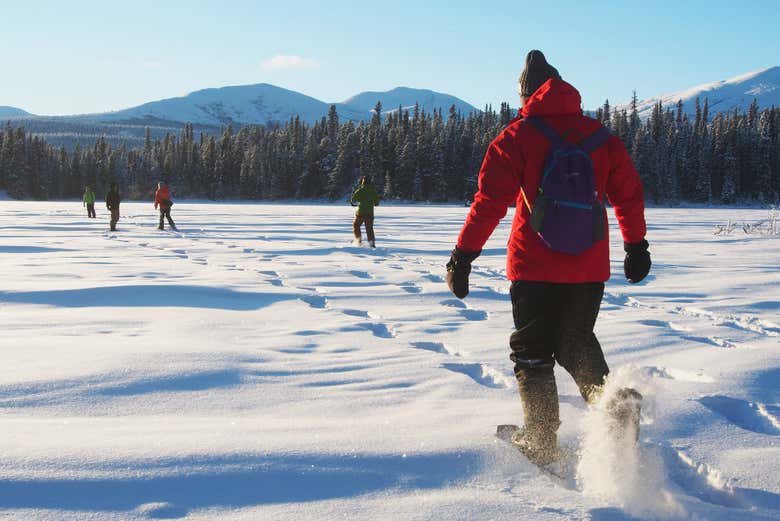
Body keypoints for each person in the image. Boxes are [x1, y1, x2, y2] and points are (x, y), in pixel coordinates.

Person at [446, 50, 651, 465]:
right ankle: (614, 406)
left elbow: (488, 204)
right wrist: (636, 245)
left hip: (534, 264)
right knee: (575, 339)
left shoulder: (516, 137)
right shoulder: (601, 137)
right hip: (589, 265)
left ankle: (540, 440)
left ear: (525, 95)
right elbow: (628, 196)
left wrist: (462, 257)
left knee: (532, 350)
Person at [349, 175, 380, 247]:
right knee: (369, 228)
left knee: (356, 226)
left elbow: (353, 200)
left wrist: (357, 202)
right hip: (370, 213)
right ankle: (371, 243)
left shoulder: (360, 190)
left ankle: (358, 241)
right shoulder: (373, 192)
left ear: (363, 182)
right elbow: (377, 203)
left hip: (361, 213)